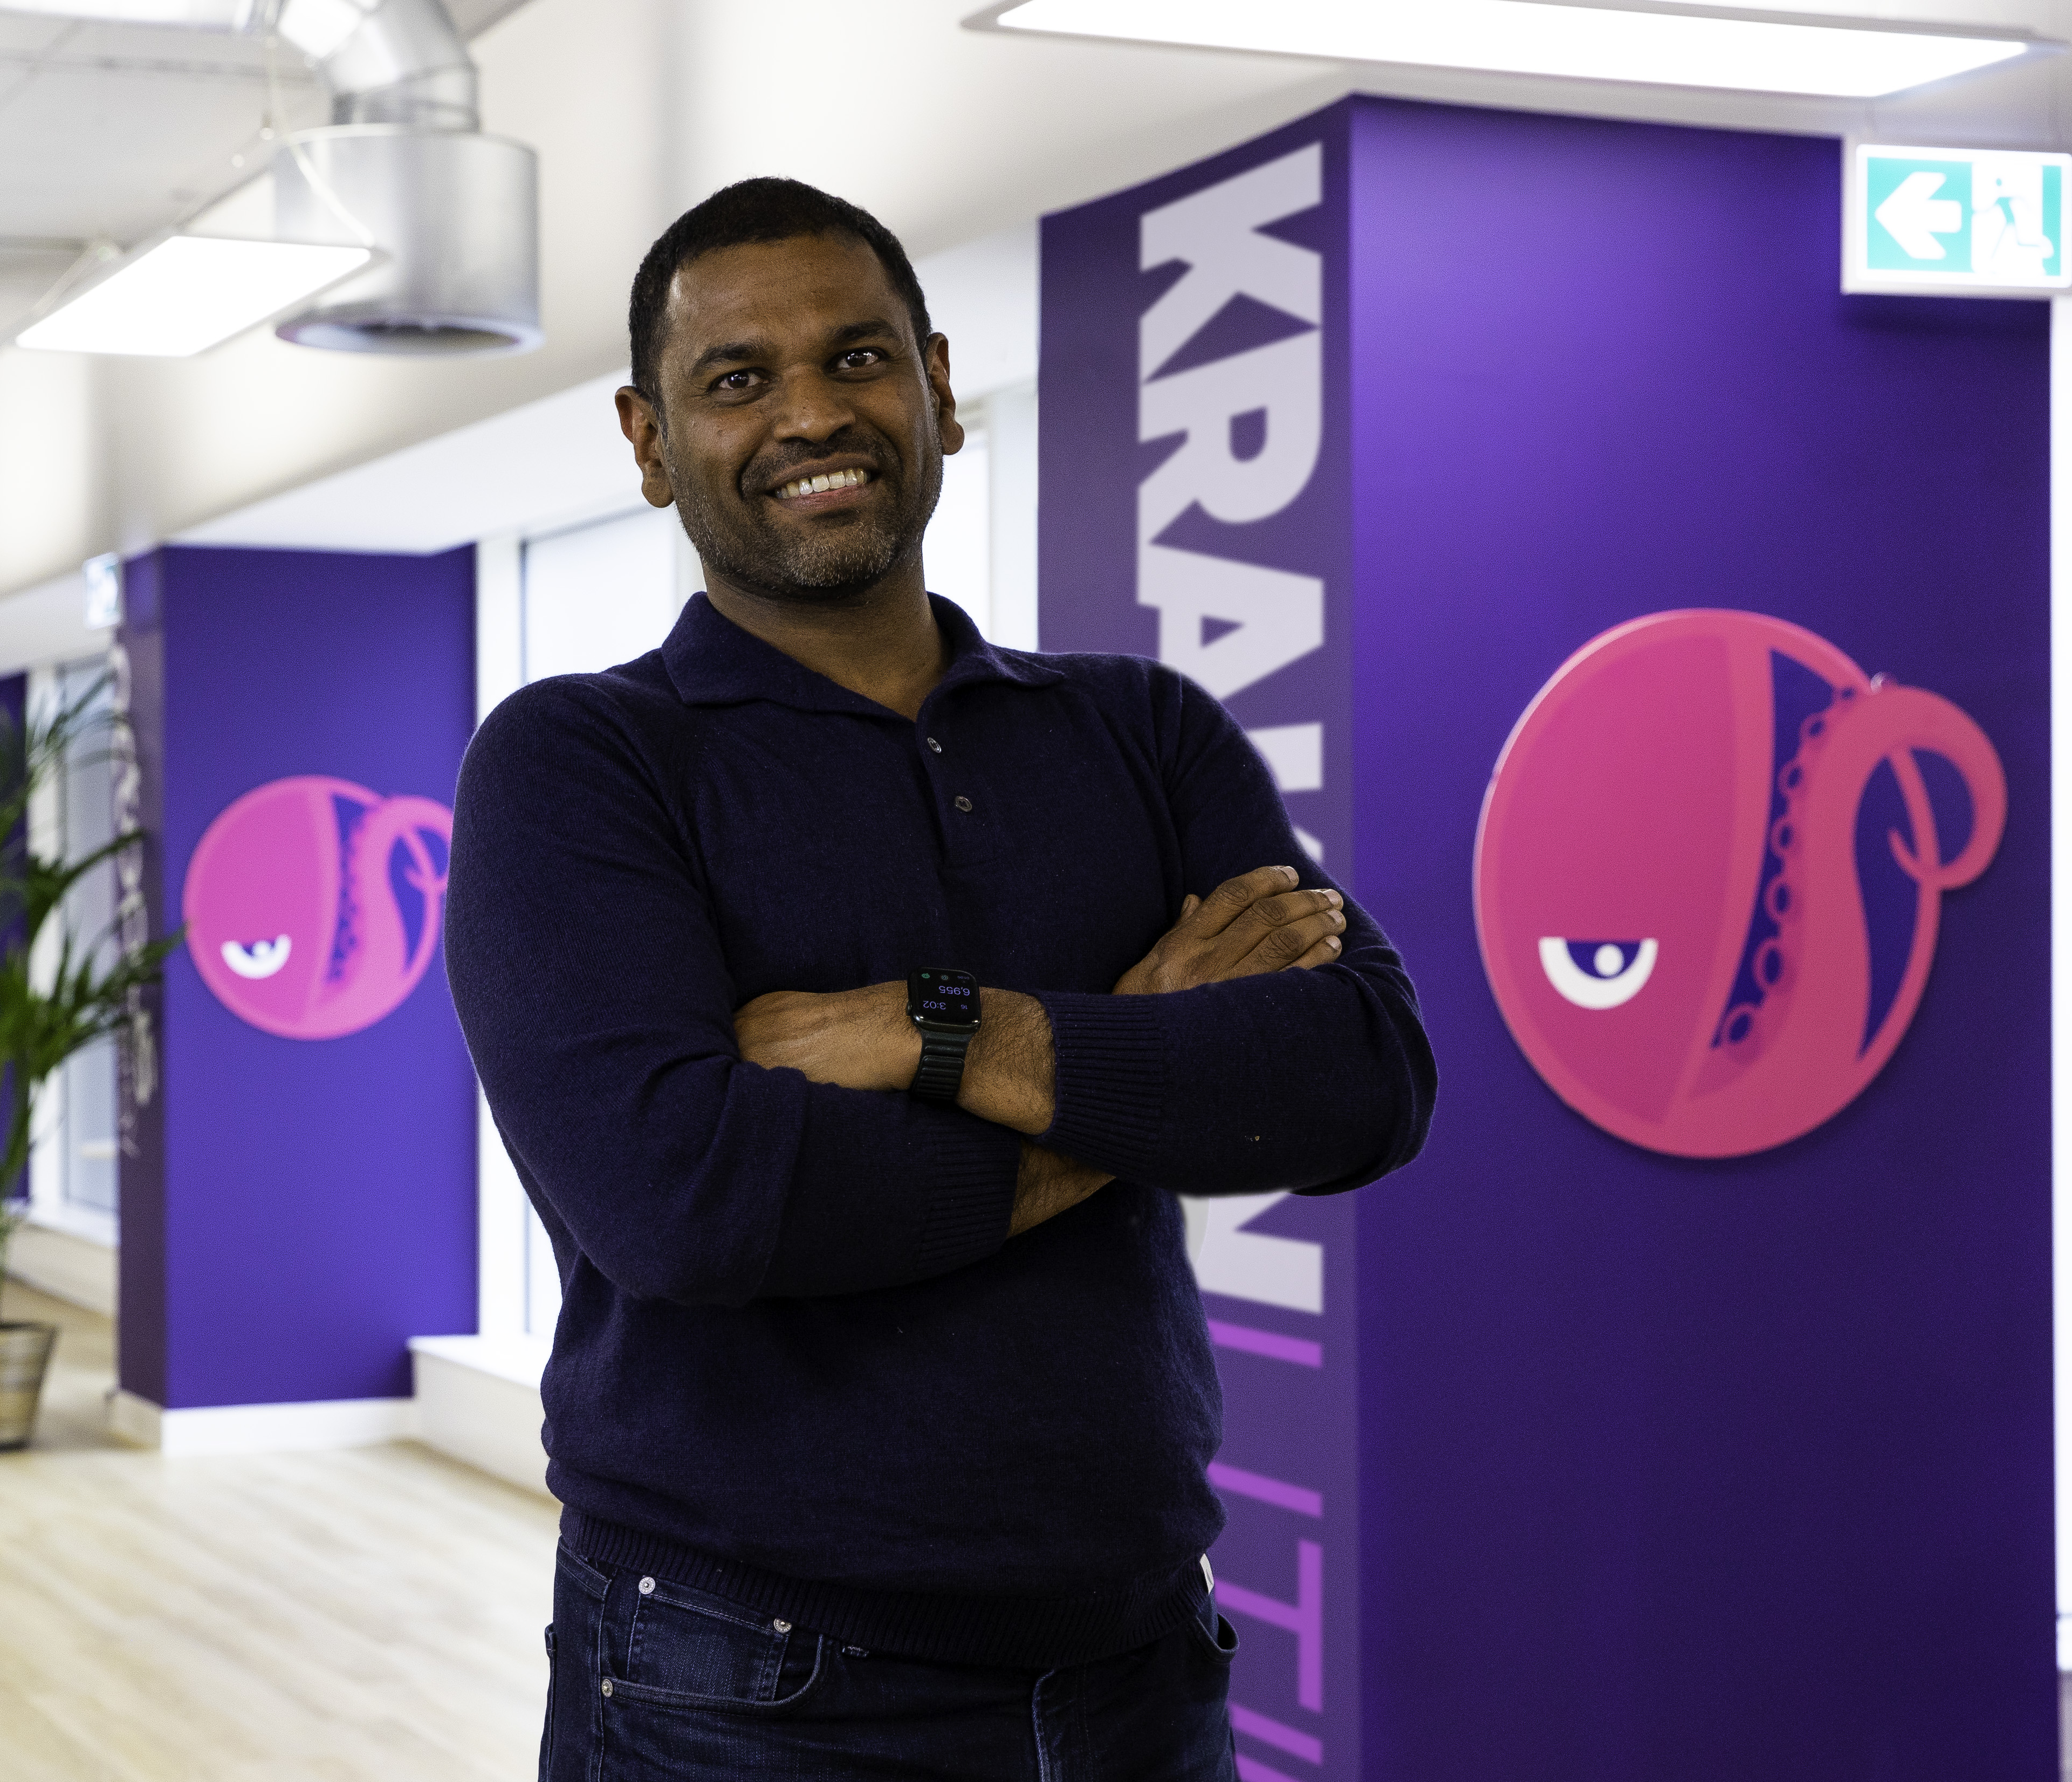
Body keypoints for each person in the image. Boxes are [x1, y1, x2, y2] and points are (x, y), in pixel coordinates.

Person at [445, 176, 1436, 1781]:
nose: (811, 414)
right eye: (737, 378)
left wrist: (943, 1032)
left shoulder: (1140, 731)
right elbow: (690, 1203)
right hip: (740, 1685)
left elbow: (1363, 1081)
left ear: (939, 388)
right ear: (649, 441)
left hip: (1137, 1663)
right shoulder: (580, 762)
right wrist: (1139, 1058)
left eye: (858, 357)